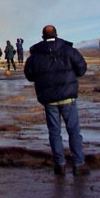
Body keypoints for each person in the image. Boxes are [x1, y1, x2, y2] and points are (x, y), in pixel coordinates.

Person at [24, 25, 89, 176]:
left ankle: (59, 165)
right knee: (74, 131)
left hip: (49, 100)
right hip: (68, 97)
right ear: (57, 34)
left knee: (54, 133)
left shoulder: (35, 55)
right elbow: (82, 69)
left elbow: (29, 76)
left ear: (43, 37)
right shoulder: (68, 50)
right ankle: (78, 164)